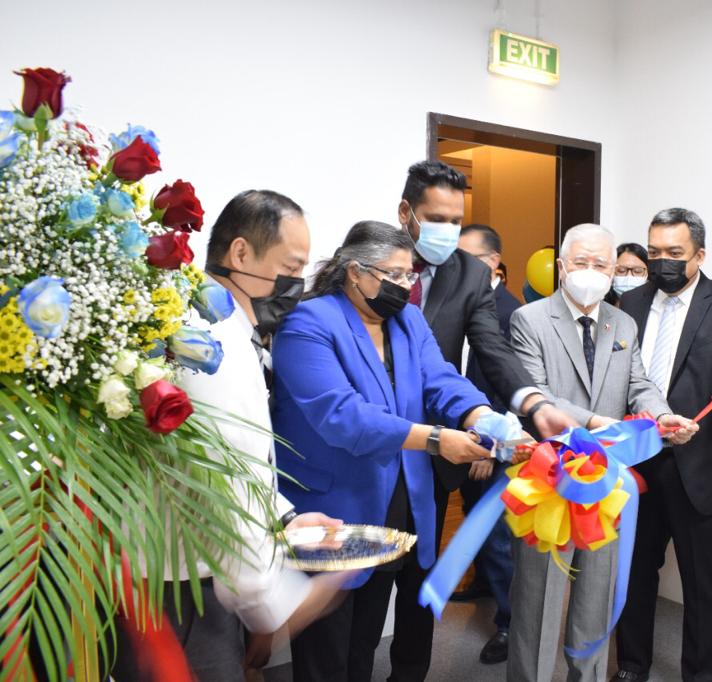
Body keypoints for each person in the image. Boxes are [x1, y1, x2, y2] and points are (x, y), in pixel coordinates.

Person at [110, 190, 349, 681]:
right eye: (292, 266)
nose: (296, 284)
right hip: (188, 594)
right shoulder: (210, 344)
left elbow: (232, 460)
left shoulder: (203, 323)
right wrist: (276, 604)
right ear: (240, 253)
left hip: (171, 579)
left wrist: (285, 518)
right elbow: (223, 486)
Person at [274, 221, 510, 682]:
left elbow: (440, 379)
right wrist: (437, 439)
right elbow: (342, 415)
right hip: (334, 509)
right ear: (355, 272)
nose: (405, 285)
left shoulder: (408, 320)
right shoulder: (308, 322)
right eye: (394, 274)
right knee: (327, 653)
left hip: (397, 502)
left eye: (409, 274)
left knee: (365, 636)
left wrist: (480, 415)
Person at [388, 160, 576, 680]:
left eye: (456, 219)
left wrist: (533, 403)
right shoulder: (373, 260)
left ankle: (408, 673)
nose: (447, 230)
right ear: (406, 213)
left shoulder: (470, 274)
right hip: (374, 444)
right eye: (436, 218)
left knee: (421, 573)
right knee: (369, 577)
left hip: (438, 447)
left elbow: (492, 349)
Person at [507, 223, 698, 682]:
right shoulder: (529, 319)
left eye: (601, 264)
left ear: (613, 271)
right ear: (561, 266)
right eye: (581, 262)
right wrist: (595, 422)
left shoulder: (622, 323)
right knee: (538, 600)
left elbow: (638, 383)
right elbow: (538, 393)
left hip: (606, 479)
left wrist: (662, 416)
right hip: (549, 478)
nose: (591, 272)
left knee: (597, 597)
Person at [613, 208, 712, 682]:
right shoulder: (629, 302)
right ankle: (631, 666)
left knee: (704, 583)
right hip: (638, 460)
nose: (663, 262)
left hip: (701, 465)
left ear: (700, 255)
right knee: (633, 572)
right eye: (654, 252)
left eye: (674, 253)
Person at [451, 223, 521, 664]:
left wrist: (491, 447)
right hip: (463, 435)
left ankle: (511, 624)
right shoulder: (465, 302)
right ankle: (483, 583)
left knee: (498, 536)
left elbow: (510, 385)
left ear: (493, 263)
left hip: (494, 442)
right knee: (475, 517)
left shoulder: (510, 313)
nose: (455, 266)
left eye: (466, 258)